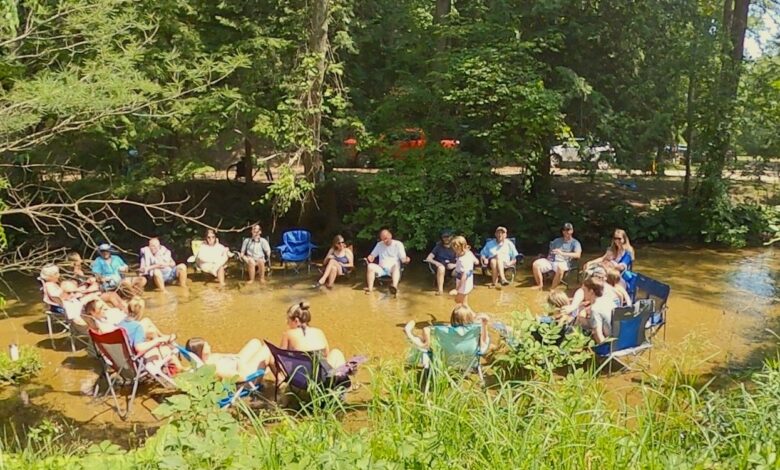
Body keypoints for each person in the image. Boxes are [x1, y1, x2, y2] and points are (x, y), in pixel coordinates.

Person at [118, 297, 181, 371]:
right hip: (134, 359)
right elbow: (139, 348)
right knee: (164, 348)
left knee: (147, 322)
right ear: (140, 311)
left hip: (122, 359)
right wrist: (157, 341)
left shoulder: (121, 324)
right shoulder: (138, 327)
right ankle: (180, 368)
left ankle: (164, 337)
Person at [280, 301, 346, 370]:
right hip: (321, 375)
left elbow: (281, 358)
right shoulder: (319, 332)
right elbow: (326, 354)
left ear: (296, 320)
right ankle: (341, 377)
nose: (287, 323)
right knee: (336, 352)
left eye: (288, 320)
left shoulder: (288, 334)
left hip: (301, 375)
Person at [404, 305, 490, 351]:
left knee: (423, 343)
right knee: (486, 340)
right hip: (469, 361)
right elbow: (484, 344)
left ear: (452, 318)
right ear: (470, 318)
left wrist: (426, 336)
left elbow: (426, 330)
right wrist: (485, 325)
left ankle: (408, 332)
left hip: (446, 361)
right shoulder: (475, 329)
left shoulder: (443, 330)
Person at [185, 337, 272, 380]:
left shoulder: (203, 362)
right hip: (244, 372)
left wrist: (237, 357)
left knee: (255, 342)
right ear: (201, 351)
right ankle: (279, 378)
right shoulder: (215, 371)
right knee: (267, 348)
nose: (209, 345)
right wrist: (240, 362)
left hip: (237, 362)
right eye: (206, 345)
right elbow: (241, 377)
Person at [531, 223, 582, 290]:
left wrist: (562, 253)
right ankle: (540, 285)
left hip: (564, 261)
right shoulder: (556, 241)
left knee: (560, 268)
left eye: (568, 230)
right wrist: (550, 255)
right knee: (536, 264)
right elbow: (551, 251)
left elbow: (578, 255)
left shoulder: (575, 243)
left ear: (572, 231)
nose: (566, 232)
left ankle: (552, 288)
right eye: (564, 230)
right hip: (552, 260)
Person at [365, 228, 410, 296]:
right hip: (381, 268)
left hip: (393, 269)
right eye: (383, 239)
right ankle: (370, 289)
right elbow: (372, 255)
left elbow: (403, 259)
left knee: (396, 265)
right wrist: (370, 257)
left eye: (386, 238)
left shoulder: (398, 244)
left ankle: (394, 287)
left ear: (390, 236)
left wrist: (407, 260)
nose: (385, 241)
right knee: (370, 266)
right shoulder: (379, 244)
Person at [579, 277, 614, 344]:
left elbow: (598, 335)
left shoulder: (595, 309)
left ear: (591, 291)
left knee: (581, 320)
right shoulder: (608, 300)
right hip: (617, 334)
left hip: (609, 341)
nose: (583, 293)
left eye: (584, 290)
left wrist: (604, 350)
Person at [424, 230, 457, 295]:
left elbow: (462, 260)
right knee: (441, 268)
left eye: (448, 237)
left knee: (461, 270)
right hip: (440, 267)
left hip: (452, 267)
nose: (446, 239)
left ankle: (458, 289)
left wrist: (455, 265)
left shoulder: (455, 247)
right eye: (444, 237)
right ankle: (440, 290)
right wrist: (436, 263)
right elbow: (428, 258)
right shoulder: (438, 247)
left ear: (451, 237)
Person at [448, 236, 478, 307]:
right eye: (454, 246)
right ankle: (469, 316)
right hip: (469, 280)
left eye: (457, 247)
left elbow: (464, 276)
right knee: (462, 301)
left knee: (461, 302)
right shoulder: (468, 252)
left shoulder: (463, 260)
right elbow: (476, 262)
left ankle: (472, 317)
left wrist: (456, 289)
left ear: (463, 246)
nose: (455, 248)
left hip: (464, 282)